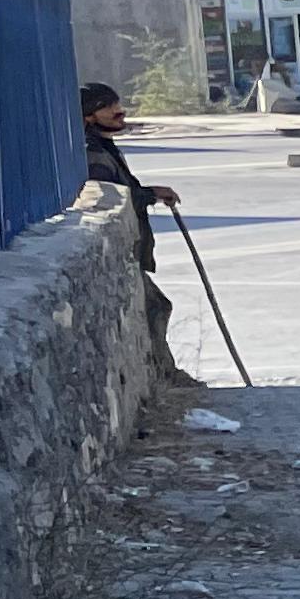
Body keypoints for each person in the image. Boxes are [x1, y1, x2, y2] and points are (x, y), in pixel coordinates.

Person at [77, 82, 188, 382]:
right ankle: (165, 379)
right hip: (123, 254)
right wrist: (150, 195)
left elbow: (127, 192)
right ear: (88, 116)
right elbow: (114, 196)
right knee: (155, 308)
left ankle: (164, 376)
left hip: (132, 252)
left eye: (116, 104)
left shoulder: (103, 148)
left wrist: (150, 193)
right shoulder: (93, 155)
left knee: (156, 307)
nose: (118, 112)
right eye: (107, 107)